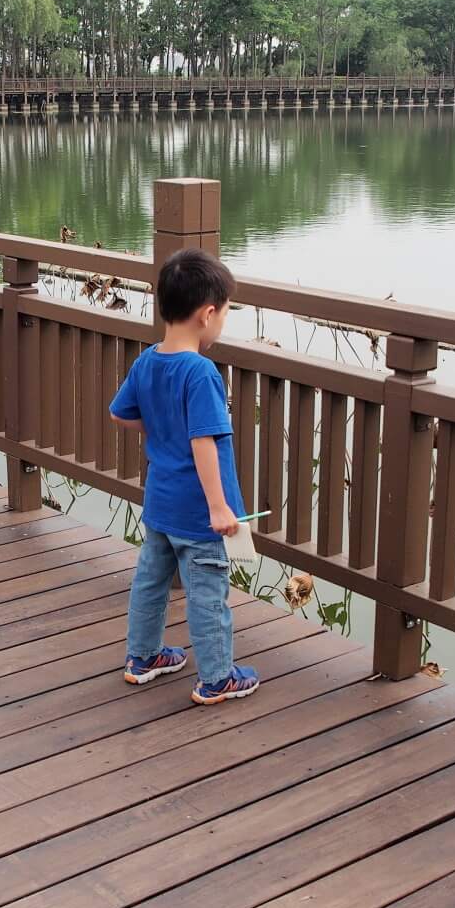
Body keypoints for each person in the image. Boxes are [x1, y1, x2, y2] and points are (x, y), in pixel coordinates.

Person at [108, 249, 260, 704]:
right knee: (208, 591)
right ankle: (217, 677)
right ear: (207, 314)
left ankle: (143, 656)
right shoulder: (201, 373)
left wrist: (159, 427)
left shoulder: (148, 360)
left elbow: (120, 414)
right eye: (225, 312)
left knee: (150, 581)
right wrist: (219, 506)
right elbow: (204, 442)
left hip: (160, 501)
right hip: (198, 512)